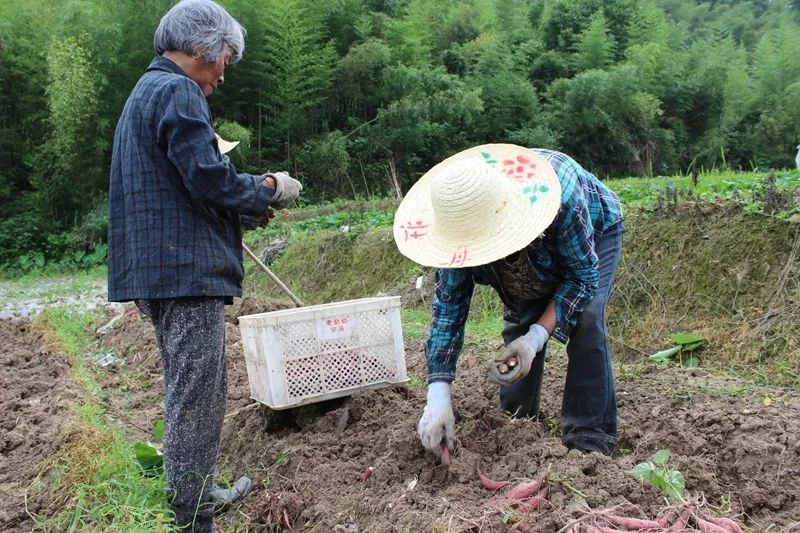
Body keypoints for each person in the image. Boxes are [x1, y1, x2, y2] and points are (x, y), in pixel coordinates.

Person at [107, 1, 302, 531]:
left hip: (161, 270)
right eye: (225, 61)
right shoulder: (177, 90)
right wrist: (267, 189)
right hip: (182, 273)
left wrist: (243, 203)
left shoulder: (146, 90)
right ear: (203, 48)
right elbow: (208, 178)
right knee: (199, 392)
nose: (222, 74)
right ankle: (194, 516)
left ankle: (193, 489)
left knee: (187, 385)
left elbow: (187, 181)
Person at [392, 144, 623, 459]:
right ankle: (515, 423)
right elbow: (448, 314)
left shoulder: (562, 201)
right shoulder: (459, 226)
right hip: (532, 239)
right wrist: (438, 394)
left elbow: (582, 280)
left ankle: (589, 438)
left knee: (587, 318)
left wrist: (537, 337)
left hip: (594, 229)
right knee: (521, 315)